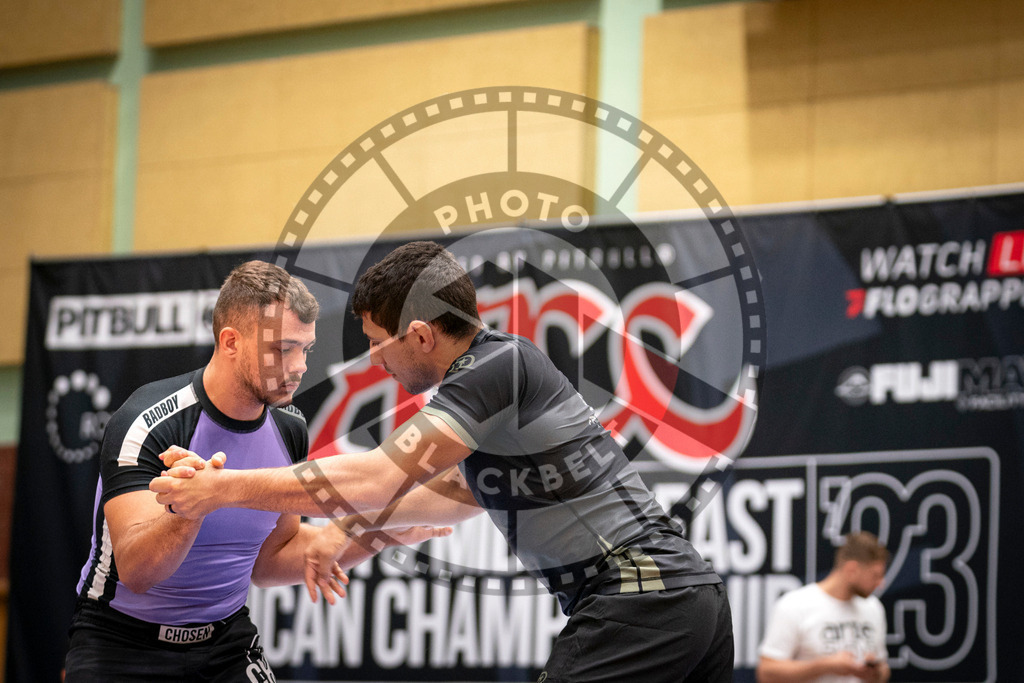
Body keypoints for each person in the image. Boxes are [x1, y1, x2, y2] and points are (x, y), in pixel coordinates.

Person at [151, 240, 735, 682]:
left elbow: (380, 476)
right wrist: (353, 531)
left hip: (639, 598)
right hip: (690, 601)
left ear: (422, 336)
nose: (377, 362)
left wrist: (221, 487)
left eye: (379, 343)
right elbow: (459, 491)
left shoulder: (490, 370)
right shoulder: (504, 377)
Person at [64, 260, 448, 682]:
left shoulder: (290, 428)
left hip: (226, 642)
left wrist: (381, 532)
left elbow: (270, 560)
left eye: (307, 348)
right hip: (120, 642)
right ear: (231, 342)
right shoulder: (148, 421)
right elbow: (137, 572)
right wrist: (189, 508)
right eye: (283, 349)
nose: (300, 366)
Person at [756, 531, 891, 683]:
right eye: (875, 575)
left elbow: (883, 669)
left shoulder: (874, 608)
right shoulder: (795, 605)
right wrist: (825, 666)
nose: (881, 583)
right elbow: (766, 673)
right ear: (852, 569)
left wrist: (875, 672)